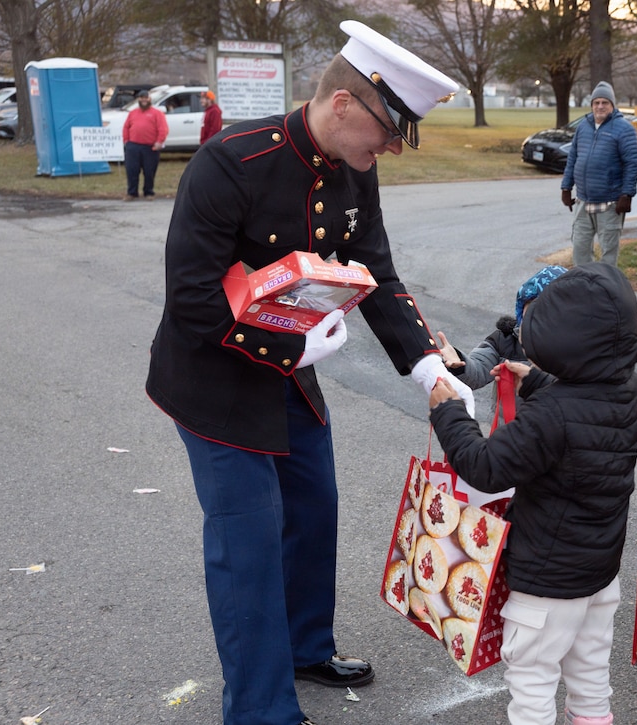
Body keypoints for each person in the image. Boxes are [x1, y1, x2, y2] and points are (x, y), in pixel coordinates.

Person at [145, 21, 472, 725]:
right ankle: (261, 707)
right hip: (212, 380)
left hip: (291, 375)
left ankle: (302, 645)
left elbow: (377, 273)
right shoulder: (229, 162)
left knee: (314, 509)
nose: (388, 149)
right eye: (386, 131)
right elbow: (194, 299)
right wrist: (298, 350)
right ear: (345, 104)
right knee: (249, 540)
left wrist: (427, 369)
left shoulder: (356, 170)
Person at [428, 263, 637, 725]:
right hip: (598, 573)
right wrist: (538, 382)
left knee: (531, 678)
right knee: (590, 674)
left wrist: (450, 415)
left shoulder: (551, 416)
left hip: (546, 583)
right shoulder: (634, 392)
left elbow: (486, 467)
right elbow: (587, 416)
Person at [436, 265, 566, 412]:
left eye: (547, 310)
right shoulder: (505, 339)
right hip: (508, 431)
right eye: (531, 307)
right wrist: (460, 364)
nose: (537, 316)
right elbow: (477, 372)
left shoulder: (576, 348)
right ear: (521, 308)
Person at [560, 82, 637, 267]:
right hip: (583, 201)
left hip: (610, 203)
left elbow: (632, 164)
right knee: (580, 251)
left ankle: (607, 292)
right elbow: (573, 158)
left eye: (605, 102)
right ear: (592, 105)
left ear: (612, 105)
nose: (600, 106)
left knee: (608, 256)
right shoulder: (583, 126)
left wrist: (627, 194)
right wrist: (566, 187)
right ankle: (585, 290)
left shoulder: (624, 129)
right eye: (596, 102)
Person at [122, 89, 168, 201]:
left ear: (149, 99)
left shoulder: (157, 113)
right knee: (132, 170)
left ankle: (149, 192)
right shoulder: (132, 113)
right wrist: (126, 141)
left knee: (149, 171)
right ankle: (132, 193)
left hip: (150, 147)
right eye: (141, 98)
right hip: (133, 146)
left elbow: (163, 129)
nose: (144, 100)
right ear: (138, 99)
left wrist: (159, 141)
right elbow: (126, 127)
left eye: (146, 97)